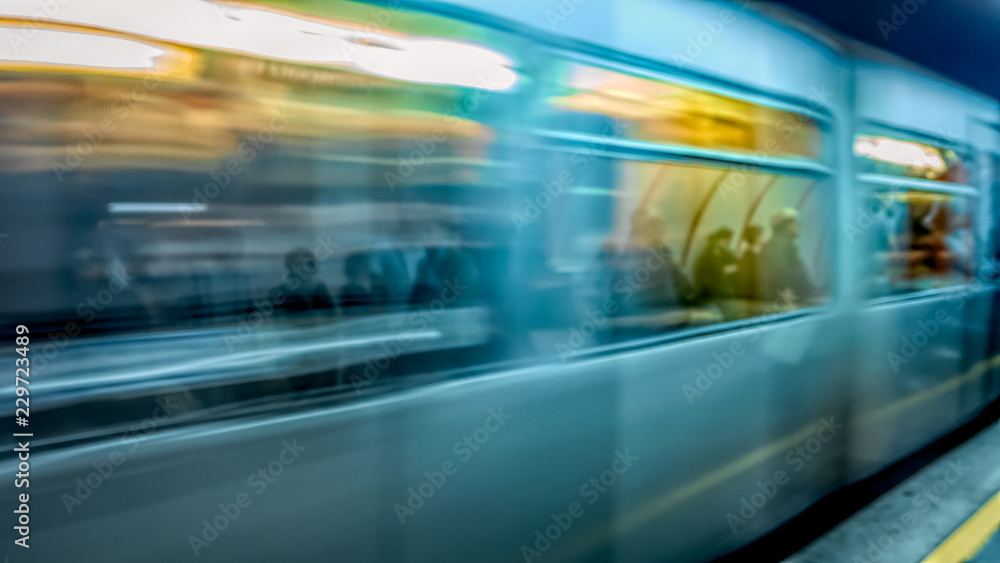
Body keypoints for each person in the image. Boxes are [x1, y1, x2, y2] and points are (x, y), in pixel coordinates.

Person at [759, 208, 816, 306]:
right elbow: (786, 278)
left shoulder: (779, 246)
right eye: (794, 223)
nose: (798, 226)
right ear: (786, 226)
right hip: (788, 305)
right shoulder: (781, 248)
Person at [273, 248, 335, 316]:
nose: (302, 268)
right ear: (289, 267)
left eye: (306, 264)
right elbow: (277, 319)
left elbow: (331, 315)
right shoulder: (280, 292)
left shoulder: (320, 289)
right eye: (298, 264)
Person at [694, 227, 738, 302]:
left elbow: (736, 261)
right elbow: (717, 272)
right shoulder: (708, 255)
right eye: (726, 241)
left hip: (720, 290)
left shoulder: (722, 252)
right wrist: (727, 269)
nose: (728, 243)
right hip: (711, 292)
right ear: (718, 240)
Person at [737, 225, 764, 301]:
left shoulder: (760, 254)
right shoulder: (748, 257)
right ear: (756, 237)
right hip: (755, 295)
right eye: (761, 235)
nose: (764, 238)